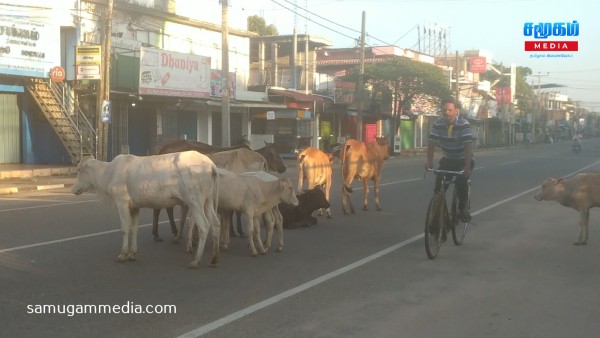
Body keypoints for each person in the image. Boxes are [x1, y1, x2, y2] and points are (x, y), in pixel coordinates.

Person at [425, 98, 474, 222]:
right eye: (444, 110)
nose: (447, 113)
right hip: (447, 160)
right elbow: (431, 144)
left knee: (461, 181)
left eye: (450, 110)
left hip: (463, 160)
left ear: (456, 111)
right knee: (439, 186)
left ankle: (463, 209)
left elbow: (468, 146)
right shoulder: (438, 124)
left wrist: (467, 167)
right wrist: (429, 162)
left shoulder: (463, 124)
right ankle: (438, 213)